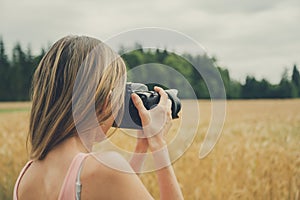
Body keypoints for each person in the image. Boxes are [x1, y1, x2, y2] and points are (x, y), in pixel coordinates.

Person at [13, 35, 184, 200]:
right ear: (105, 101)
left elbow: (116, 192)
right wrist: (158, 142)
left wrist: (141, 147)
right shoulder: (105, 168)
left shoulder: (25, 177)